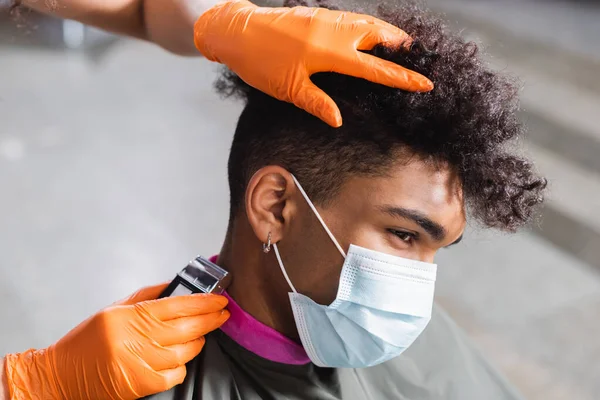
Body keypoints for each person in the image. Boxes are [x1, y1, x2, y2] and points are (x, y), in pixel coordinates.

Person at [128, 0, 545, 398]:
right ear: (275, 206)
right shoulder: (136, 371)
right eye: (403, 234)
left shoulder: (429, 351)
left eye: (436, 249)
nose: (419, 293)